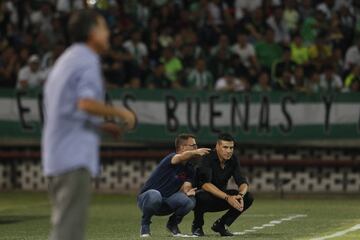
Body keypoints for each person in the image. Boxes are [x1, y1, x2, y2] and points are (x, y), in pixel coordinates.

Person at [42, 10, 136, 240]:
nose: (108, 34)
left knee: (64, 229)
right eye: (104, 27)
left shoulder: (66, 60)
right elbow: (85, 103)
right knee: (68, 234)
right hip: (73, 157)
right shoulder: (87, 59)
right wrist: (119, 112)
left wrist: (103, 126)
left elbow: (67, 109)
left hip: (57, 156)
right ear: (92, 32)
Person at [138, 134, 210, 237]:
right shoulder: (172, 158)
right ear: (182, 147)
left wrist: (188, 192)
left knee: (190, 201)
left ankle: (172, 224)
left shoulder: (190, 168)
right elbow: (181, 156)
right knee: (155, 195)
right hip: (147, 200)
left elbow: (186, 186)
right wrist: (195, 152)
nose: (196, 147)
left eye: (196, 145)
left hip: (166, 202)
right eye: (192, 145)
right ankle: (145, 225)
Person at [192, 133, 254, 237]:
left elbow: (242, 181)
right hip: (205, 197)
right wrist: (227, 197)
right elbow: (205, 184)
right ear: (217, 146)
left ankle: (221, 225)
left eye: (231, 148)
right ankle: (197, 226)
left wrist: (241, 195)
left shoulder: (233, 159)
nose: (229, 151)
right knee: (200, 196)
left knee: (248, 197)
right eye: (225, 147)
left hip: (222, 197)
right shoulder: (207, 157)